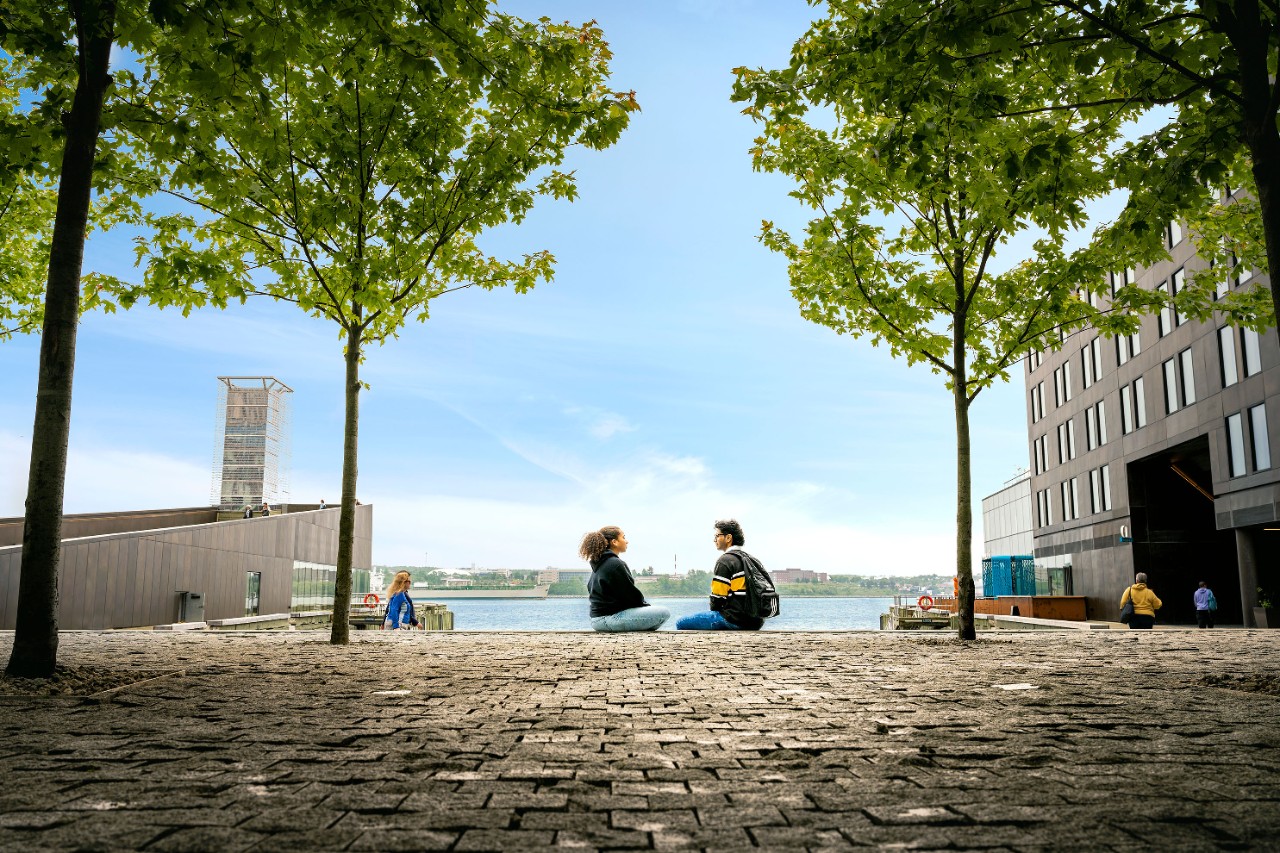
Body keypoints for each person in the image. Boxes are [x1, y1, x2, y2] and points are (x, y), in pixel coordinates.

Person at [677, 519, 765, 631]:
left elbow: (717, 599)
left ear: (728, 538)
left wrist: (716, 611)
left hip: (735, 620)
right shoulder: (751, 560)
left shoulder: (725, 560)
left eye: (717, 536)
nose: (714, 540)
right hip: (756, 622)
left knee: (680, 623)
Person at [581, 526, 669, 632]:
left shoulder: (599, 564)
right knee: (664, 613)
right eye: (623, 537)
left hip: (596, 621)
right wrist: (646, 607)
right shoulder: (615, 563)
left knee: (651, 614)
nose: (627, 541)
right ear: (614, 542)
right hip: (610, 619)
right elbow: (631, 595)